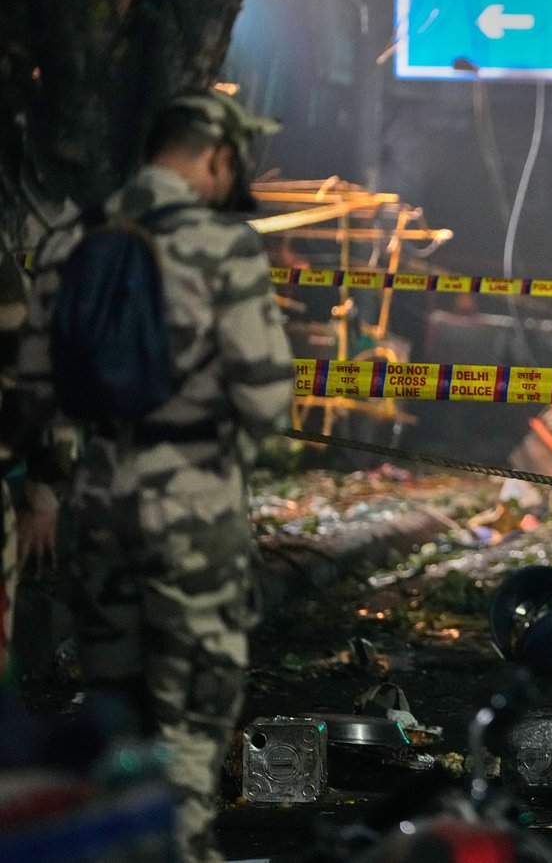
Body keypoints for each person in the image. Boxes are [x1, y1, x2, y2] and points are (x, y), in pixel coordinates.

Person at [3, 87, 294, 862]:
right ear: (216, 156)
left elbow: (34, 395)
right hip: (194, 512)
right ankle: (182, 851)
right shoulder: (222, 245)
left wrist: (51, 486)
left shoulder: (68, 242)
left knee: (116, 716)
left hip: (96, 511)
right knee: (193, 723)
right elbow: (267, 400)